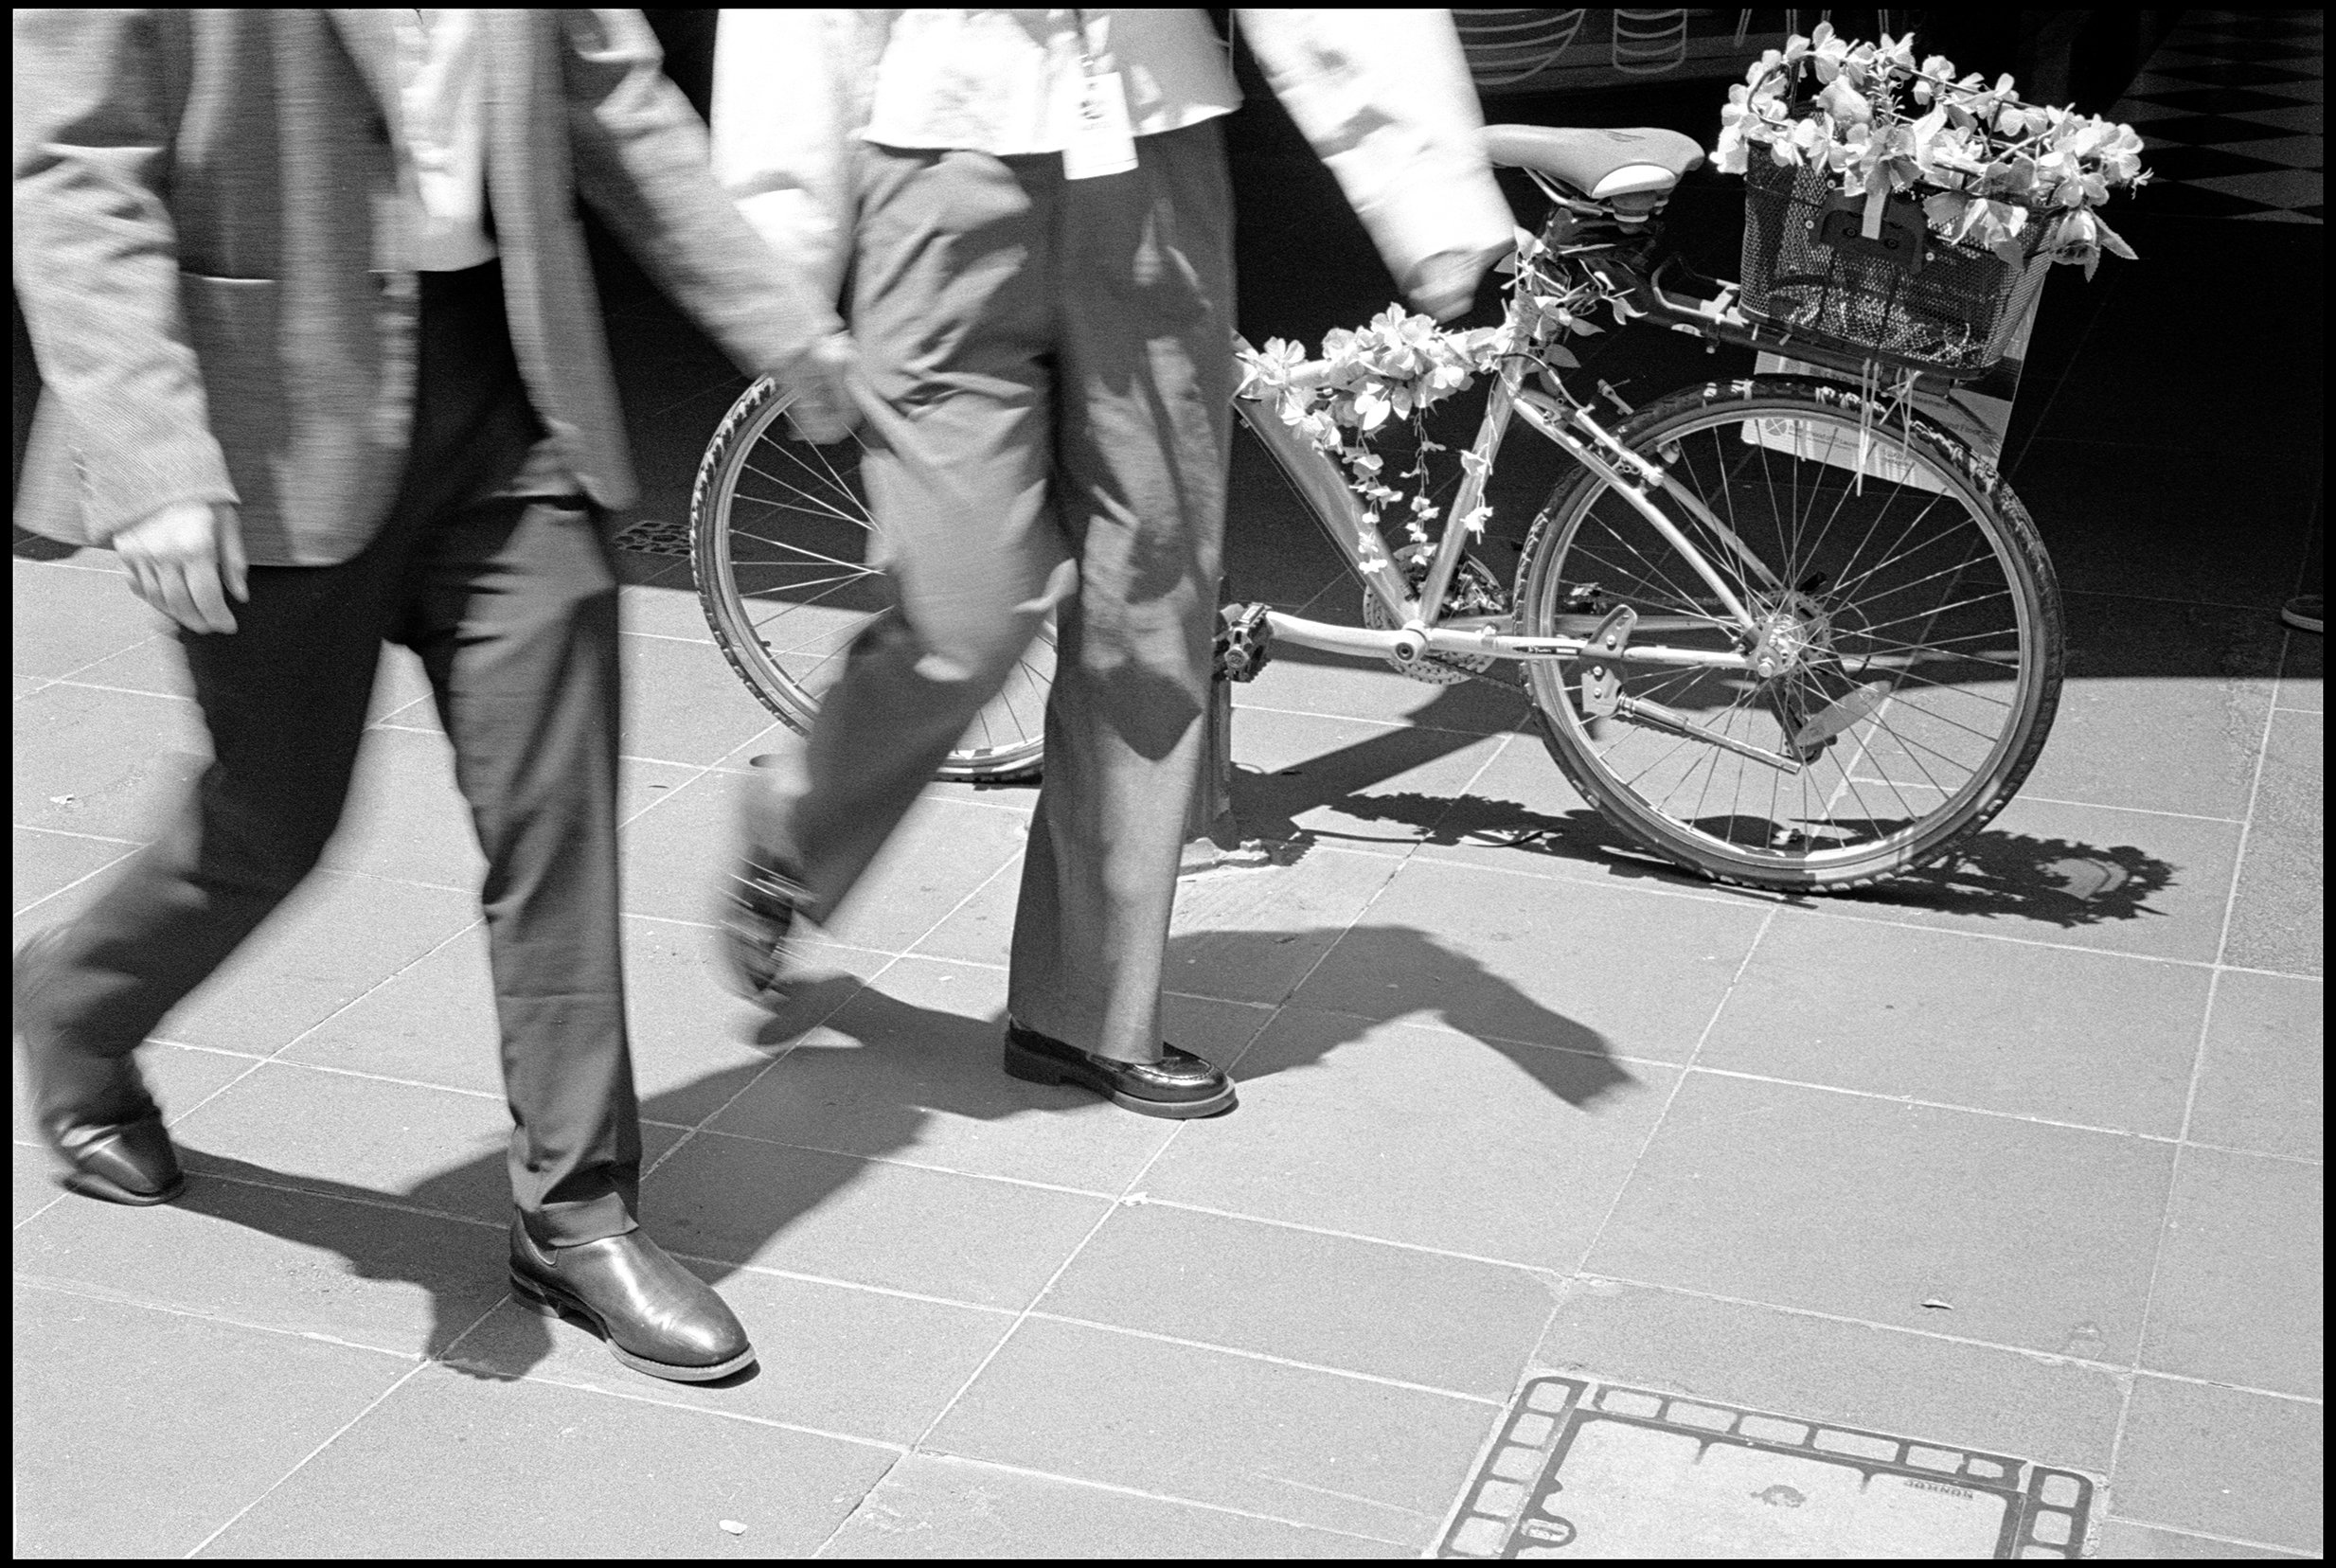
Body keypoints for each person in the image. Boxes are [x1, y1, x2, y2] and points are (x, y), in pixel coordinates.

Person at [11, 9, 855, 1384]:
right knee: (272, 822)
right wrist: (154, 453)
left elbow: (614, 100)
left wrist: (785, 324)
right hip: (261, 422)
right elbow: (76, 170)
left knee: (556, 811)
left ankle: (576, 1213)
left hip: (507, 405)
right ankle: (77, 1007)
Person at [707, 9, 1512, 1117]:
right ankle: (800, 815)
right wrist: (776, 263)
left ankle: (1086, 1012)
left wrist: (1424, 182)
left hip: (1154, 159)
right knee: (967, 607)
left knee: (1153, 599)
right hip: (938, 167)